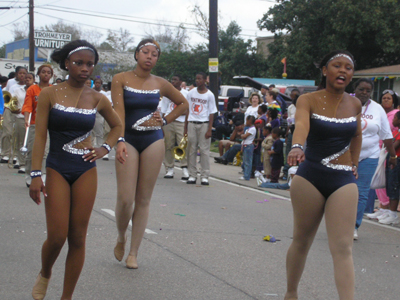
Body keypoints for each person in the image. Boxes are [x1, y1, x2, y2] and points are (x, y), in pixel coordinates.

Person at [29, 40, 122, 300]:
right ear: (67, 63)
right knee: (57, 236)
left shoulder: (98, 98)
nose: (85, 68)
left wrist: (105, 148)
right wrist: (36, 174)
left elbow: (117, 126)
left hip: (85, 169)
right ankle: (45, 272)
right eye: (79, 63)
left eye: (90, 64)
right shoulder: (49, 93)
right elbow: (39, 137)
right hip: (57, 166)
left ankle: (66, 297)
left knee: (78, 237)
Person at [285, 50, 362, 300]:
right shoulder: (309, 99)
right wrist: (297, 146)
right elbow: (302, 125)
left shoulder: (355, 104)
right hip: (310, 177)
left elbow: (357, 135)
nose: (343, 71)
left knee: (342, 248)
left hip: (343, 180)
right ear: (324, 71)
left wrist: (355, 162)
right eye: (337, 66)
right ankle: (291, 292)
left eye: (348, 68)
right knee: (301, 241)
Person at [112, 39, 188, 269]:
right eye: (145, 52)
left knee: (143, 199)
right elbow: (118, 112)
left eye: (154, 54)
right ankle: (121, 236)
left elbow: (182, 104)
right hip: (128, 138)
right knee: (126, 198)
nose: (149, 57)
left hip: (153, 138)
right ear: (136, 54)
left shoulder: (161, 83)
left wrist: (165, 120)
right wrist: (120, 140)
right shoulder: (121, 78)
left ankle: (134, 252)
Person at [353, 79, 396, 239]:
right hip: (345, 156)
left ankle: (354, 226)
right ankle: (339, 223)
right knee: (342, 191)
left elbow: (386, 134)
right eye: (361, 89)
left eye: (368, 90)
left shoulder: (377, 109)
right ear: (354, 88)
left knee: (362, 192)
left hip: (369, 156)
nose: (364, 93)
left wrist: (392, 155)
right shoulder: (344, 103)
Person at [22, 65, 53, 187]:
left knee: (45, 152)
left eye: (48, 72)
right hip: (35, 124)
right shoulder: (32, 89)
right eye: (43, 72)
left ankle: (42, 176)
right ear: (39, 74)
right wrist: (26, 120)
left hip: (49, 126)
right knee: (32, 151)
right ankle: (29, 175)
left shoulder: (53, 90)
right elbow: (28, 106)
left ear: (51, 75)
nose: (46, 74)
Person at [185, 72, 217, 185]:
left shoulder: (210, 95)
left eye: (199, 79)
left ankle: (205, 176)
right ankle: (192, 175)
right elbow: (187, 110)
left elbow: (212, 113)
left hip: (204, 123)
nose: (197, 81)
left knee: (204, 151)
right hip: (192, 123)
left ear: (205, 80)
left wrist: (209, 129)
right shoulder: (191, 93)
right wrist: (185, 126)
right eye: (196, 78)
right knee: (191, 150)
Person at [373, 90, 400, 217]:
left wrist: (391, 151)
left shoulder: (396, 115)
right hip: (378, 149)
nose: (386, 100)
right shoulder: (379, 112)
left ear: (394, 100)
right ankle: (383, 207)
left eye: (389, 98)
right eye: (384, 98)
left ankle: (387, 206)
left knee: (389, 180)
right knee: (379, 178)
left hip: (389, 150)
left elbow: (396, 136)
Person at [160, 74, 189, 179]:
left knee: (182, 145)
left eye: (175, 80)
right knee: (168, 144)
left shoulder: (186, 94)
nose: (173, 81)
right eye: (172, 79)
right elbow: (163, 110)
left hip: (181, 122)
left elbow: (188, 110)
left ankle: (185, 168)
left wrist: (179, 113)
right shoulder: (168, 93)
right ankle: (169, 168)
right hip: (168, 121)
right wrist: (162, 124)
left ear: (181, 82)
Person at [1, 66, 27, 164]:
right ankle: (5, 153)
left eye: (24, 73)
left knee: (19, 134)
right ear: (16, 74)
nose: (22, 75)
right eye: (20, 73)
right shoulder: (11, 84)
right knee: (7, 132)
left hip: (22, 112)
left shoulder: (29, 85)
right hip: (10, 110)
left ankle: (16, 155)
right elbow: (8, 97)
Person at [10, 72, 35, 173]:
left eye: (30, 78)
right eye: (26, 78)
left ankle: (30, 163)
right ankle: (22, 163)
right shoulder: (17, 90)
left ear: (33, 79)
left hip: (33, 119)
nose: (27, 79)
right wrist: (14, 109)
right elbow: (13, 103)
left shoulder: (36, 90)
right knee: (21, 140)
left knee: (31, 142)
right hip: (20, 117)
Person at [380, 111, 400, 225]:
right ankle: (388, 212)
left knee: (394, 186)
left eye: (395, 118)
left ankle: (393, 214)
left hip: (397, 161)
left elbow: (393, 146)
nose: (393, 120)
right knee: (390, 185)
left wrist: (389, 145)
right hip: (391, 160)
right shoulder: (395, 132)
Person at [92, 77, 108, 148]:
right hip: (90, 113)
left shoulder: (103, 93)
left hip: (99, 114)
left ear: (101, 84)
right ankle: (90, 147)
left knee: (99, 132)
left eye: (99, 83)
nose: (97, 84)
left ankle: (99, 146)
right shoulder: (90, 91)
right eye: (96, 83)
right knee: (90, 132)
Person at [239, 115, 256, 181]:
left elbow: (244, 136)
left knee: (248, 162)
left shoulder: (252, 129)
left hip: (248, 146)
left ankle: (246, 176)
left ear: (250, 121)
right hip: (246, 145)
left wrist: (242, 135)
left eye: (247, 120)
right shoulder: (249, 128)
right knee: (245, 161)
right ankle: (245, 174)